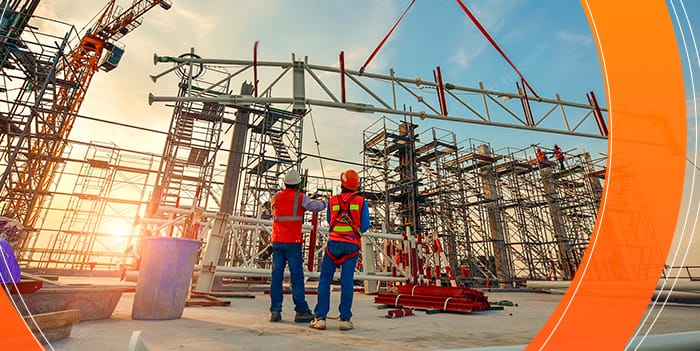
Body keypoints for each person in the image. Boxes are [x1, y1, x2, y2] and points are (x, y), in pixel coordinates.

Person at [310, 169, 370, 331]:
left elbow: (330, 220)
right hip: (351, 245)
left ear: (342, 183)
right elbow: (364, 226)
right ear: (356, 185)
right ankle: (345, 319)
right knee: (347, 280)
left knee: (324, 279)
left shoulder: (333, 200)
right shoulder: (361, 202)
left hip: (334, 244)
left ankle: (320, 317)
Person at [269, 170, 327, 323]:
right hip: (292, 242)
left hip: (277, 241)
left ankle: (275, 310)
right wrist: (326, 202)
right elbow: (314, 207)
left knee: (276, 276)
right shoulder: (300, 197)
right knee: (297, 276)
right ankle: (301, 310)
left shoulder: (275, 198)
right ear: (298, 184)